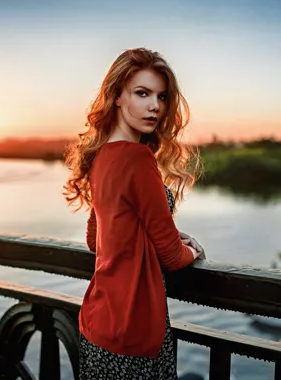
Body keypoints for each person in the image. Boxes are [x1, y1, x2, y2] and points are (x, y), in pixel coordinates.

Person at [63, 47, 205, 379]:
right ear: (116, 96)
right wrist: (192, 249)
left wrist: (148, 236)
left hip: (97, 323)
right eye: (142, 93)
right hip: (134, 329)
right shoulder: (138, 159)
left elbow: (95, 241)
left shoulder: (101, 158)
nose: (155, 105)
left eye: (161, 96)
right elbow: (171, 257)